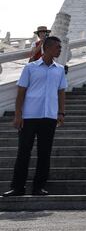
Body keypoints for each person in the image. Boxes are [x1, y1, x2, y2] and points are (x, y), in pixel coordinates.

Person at [3, 36, 67, 197]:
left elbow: (61, 92)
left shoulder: (59, 69)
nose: (60, 50)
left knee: (44, 153)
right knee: (23, 152)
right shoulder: (30, 68)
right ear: (49, 48)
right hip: (29, 116)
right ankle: (17, 187)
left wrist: (61, 112)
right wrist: (18, 115)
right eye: (58, 47)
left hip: (49, 116)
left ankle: (39, 187)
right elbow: (21, 92)